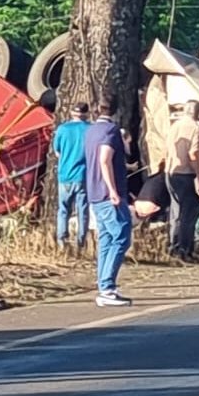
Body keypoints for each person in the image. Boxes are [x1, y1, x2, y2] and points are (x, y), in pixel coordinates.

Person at [84, 92, 133, 307]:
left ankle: (104, 284)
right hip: (107, 193)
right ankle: (107, 286)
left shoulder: (91, 130)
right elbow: (105, 159)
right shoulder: (111, 131)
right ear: (116, 109)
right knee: (122, 235)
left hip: (93, 191)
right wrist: (113, 189)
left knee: (105, 239)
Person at [165, 100, 199, 261]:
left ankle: (173, 247)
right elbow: (193, 154)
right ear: (197, 112)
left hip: (170, 171)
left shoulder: (174, 126)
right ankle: (185, 248)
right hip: (184, 174)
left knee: (176, 211)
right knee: (190, 210)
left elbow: (167, 148)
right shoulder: (195, 129)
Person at [53, 102, 91, 254]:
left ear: (72, 113)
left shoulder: (62, 129)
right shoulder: (90, 129)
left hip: (65, 175)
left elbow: (57, 152)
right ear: (86, 114)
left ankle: (62, 241)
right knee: (83, 210)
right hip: (83, 175)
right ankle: (81, 243)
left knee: (63, 210)